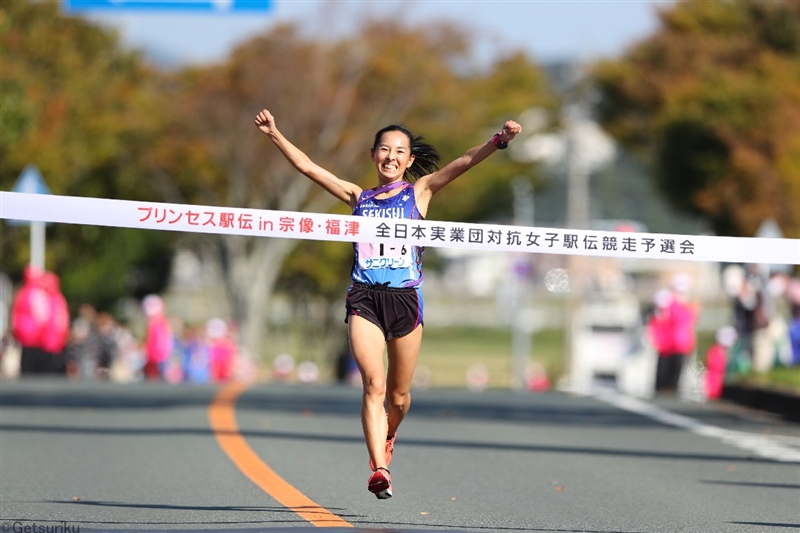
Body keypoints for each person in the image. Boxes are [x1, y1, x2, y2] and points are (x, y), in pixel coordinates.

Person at [255, 108, 521, 499]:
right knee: (373, 385)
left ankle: (389, 431)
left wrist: (500, 140)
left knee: (397, 397)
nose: (391, 156)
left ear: (410, 160)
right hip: (364, 297)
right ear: (373, 154)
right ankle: (379, 468)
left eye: (399, 151)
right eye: (384, 149)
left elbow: (464, 161)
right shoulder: (357, 197)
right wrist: (275, 133)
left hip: (405, 300)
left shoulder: (421, 192)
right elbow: (310, 169)